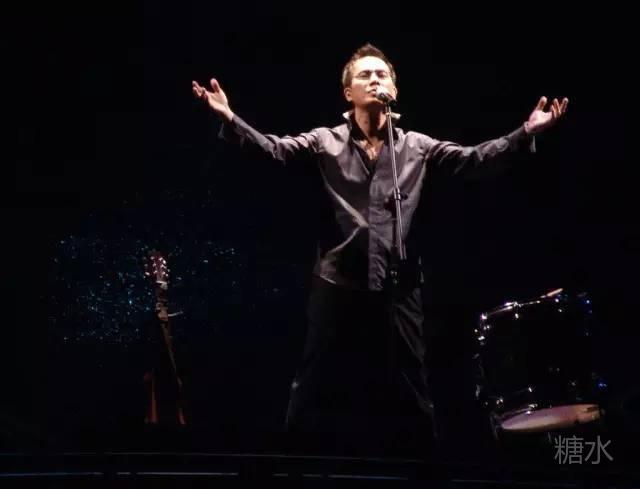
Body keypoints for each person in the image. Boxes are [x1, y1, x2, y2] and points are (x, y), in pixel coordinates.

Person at [191, 43, 568, 456]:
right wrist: (229, 118)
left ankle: (424, 465)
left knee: (412, 385)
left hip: (398, 284)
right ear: (348, 93)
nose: (375, 80)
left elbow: (474, 160)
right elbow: (274, 151)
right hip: (338, 282)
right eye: (365, 75)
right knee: (314, 382)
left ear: (395, 89)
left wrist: (525, 132)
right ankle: (293, 462)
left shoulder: (416, 146)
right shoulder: (325, 141)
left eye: (382, 74)